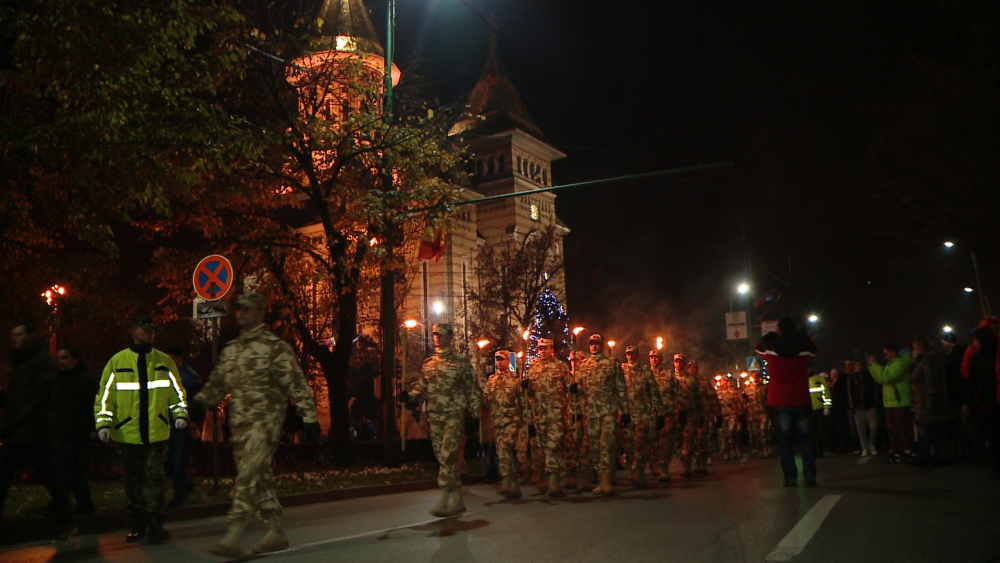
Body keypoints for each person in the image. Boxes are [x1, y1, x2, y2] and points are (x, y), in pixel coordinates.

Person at [195, 294, 320, 556]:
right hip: (240, 425)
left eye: (247, 309)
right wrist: (198, 402)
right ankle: (275, 531)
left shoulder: (274, 348)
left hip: (266, 423)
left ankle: (236, 531)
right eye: (238, 309)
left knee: (249, 474)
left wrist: (309, 416)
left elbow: (296, 382)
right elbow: (217, 384)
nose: (240, 313)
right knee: (259, 476)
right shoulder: (233, 350)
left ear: (260, 312)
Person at [94, 316, 187, 544]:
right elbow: (104, 398)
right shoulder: (117, 362)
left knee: (155, 479)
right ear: (134, 331)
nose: (151, 333)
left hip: (156, 433)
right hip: (128, 434)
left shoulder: (164, 361)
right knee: (133, 481)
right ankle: (137, 523)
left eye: (152, 330)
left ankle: (155, 523)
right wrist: (104, 423)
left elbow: (177, 393)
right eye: (146, 330)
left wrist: (180, 414)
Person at [0, 322, 75, 541]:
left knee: (52, 480)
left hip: (34, 434)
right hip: (18, 433)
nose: (14, 338)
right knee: (2, 478)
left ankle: (67, 522)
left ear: (31, 336)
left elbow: (41, 397)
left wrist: (18, 420)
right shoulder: (21, 361)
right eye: (12, 334)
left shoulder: (41, 361)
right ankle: (66, 521)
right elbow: (17, 398)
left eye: (19, 334)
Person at [405, 323, 481, 516]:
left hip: (454, 416)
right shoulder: (429, 364)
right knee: (443, 457)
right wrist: (409, 397)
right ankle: (457, 499)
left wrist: (475, 414)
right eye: (435, 334)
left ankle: (444, 496)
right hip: (435, 418)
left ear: (450, 337)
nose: (437, 337)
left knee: (448, 454)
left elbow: (473, 389)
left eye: (441, 334)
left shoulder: (461, 362)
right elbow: (421, 389)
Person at [755, 317, 818, 487]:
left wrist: (769, 336)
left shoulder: (771, 351)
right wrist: (803, 335)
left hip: (780, 400)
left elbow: (758, 347)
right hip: (801, 398)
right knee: (806, 439)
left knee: (785, 441)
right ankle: (810, 475)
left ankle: (790, 477)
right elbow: (814, 350)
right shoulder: (803, 350)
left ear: (780, 329)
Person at [576, 333, 629, 495]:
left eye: (597, 343)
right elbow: (581, 389)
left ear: (602, 345)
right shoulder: (584, 366)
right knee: (594, 448)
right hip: (591, 413)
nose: (594, 346)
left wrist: (625, 410)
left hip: (608, 411)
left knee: (606, 445)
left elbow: (621, 388)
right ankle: (601, 479)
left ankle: (606, 481)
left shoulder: (612, 364)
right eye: (591, 343)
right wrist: (575, 389)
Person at [524, 338, 572, 496]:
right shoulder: (533, 369)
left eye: (545, 348)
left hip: (556, 413)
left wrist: (574, 388)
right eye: (540, 348)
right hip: (540, 414)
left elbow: (569, 386)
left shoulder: (560, 367)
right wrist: (526, 386)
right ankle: (561, 474)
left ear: (551, 349)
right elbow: (530, 394)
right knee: (545, 446)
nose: (542, 351)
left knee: (553, 445)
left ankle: (554, 483)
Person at [54, 345, 97, 515]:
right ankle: (84, 505)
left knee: (66, 467)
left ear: (75, 359)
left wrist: (93, 427)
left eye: (65, 358)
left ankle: (58, 504)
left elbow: (92, 404)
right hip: (65, 430)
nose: (61, 362)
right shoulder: (60, 379)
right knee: (75, 470)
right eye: (59, 358)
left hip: (79, 431)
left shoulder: (85, 378)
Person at [164, 346, 203, 507]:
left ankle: (179, 494)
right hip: (168, 423)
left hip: (182, 423)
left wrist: (193, 421)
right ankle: (184, 485)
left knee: (178, 459)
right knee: (169, 460)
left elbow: (197, 402)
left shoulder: (189, 377)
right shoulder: (168, 375)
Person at [621, 345, 664, 488]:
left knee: (639, 444)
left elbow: (655, 393)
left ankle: (639, 473)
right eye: (628, 354)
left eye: (633, 354)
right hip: (627, 414)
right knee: (629, 445)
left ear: (637, 355)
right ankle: (633, 471)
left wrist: (659, 413)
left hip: (642, 414)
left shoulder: (645, 372)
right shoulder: (622, 371)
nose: (630, 356)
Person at [484, 350, 524, 498]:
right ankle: (511, 482)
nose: (499, 362)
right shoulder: (491, 380)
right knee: (502, 452)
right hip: (498, 421)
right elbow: (486, 400)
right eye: (497, 359)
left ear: (508, 361)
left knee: (507, 447)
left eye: (502, 359)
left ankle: (509, 480)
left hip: (511, 421)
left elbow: (522, 401)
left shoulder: (515, 380)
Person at [962, 327, 1000, 479]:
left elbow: (972, 381)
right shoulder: (991, 355)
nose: (974, 343)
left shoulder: (979, 358)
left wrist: (967, 401)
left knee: (994, 434)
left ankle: (997, 464)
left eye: (976, 340)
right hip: (991, 398)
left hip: (988, 400)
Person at [909, 335, 950, 467]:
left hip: (927, 402)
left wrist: (931, 402)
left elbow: (931, 383)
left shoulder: (928, 361)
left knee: (927, 430)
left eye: (914, 347)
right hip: (927, 400)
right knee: (936, 431)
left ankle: (924, 456)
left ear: (919, 347)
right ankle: (940, 457)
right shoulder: (928, 360)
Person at [869, 343, 914, 463]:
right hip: (891, 402)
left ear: (894, 352)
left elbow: (887, 378)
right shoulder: (891, 365)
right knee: (892, 430)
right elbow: (881, 379)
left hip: (900, 402)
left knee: (904, 429)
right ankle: (895, 451)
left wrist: (875, 366)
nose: (885, 356)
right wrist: (873, 367)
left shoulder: (900, 364)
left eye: (886, 353)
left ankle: (909, 451)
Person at [649, 349, 679, 481]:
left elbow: (677, 393)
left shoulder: (668, 375)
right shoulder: (645, 374)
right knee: (652, 441)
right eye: (651, 357)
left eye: (656, 357)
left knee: (665, 441)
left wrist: (679, 410)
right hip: (650, 413)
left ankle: (664, 467)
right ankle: (654, 464)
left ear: (661, 359)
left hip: (667, 412)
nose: (654, 360)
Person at [671, 353, 701, 478]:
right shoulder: (669, 378)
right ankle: (684, 463)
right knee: (678, 441)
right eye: (676, 361)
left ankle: (689, 465)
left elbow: (698, 398)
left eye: (681, 361)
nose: (679, 364)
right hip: (676, 414)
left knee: (689, 439)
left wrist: (701, 414)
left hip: (690, 414)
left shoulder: (691, 379)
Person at [691, 360, 719, 474]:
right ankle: (696, 462)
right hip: (692, 414)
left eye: (694, 367)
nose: (692, 369)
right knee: (694, 438)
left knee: (704, 436)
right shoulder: (686, 381)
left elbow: (712, 397)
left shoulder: (703, 382)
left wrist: (717, 413)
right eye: (690, 368)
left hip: (705, 413)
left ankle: (706, 457)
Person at [848, 359, 880, 456]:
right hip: (858, 407)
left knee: (873, 427)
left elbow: (874, 389)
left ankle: (871, 444)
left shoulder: (868, 376)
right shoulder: (852, 378)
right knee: (861, 430)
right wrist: (852, 405)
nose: (858, 367)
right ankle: (865, 448)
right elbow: (850, 392)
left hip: (869, 405)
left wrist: (875, 402)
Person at [716, 374, 745, 461]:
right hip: (722, 416)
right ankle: (725, 452)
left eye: (723, 381)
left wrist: (740, 415)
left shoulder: (732, 392)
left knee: (732, 432)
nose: (721, 383)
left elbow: (739, 404)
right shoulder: (717, 393)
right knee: (723, 434)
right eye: (720, 381)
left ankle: (734, 449)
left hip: (732, 415)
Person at [807, 369, 831, 457]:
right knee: (811, 432)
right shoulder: (801, 380)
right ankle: (813, 451)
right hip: (807, 410)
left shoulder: (819, 379)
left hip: (818, 409)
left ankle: (819, 450)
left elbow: (826, 394)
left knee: (819, 432)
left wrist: (827, 407)